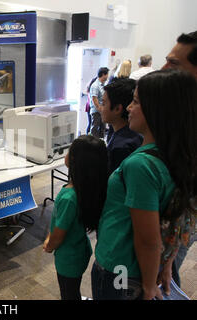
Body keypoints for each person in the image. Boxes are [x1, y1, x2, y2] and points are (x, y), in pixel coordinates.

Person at [92, 69, 196, 300]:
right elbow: (176, 216)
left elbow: (147, 238)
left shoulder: (140, 165)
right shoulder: (175, 155)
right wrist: (166, 263)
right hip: (147, 266)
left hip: (120, 266)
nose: (129, 107)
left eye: (136, 102)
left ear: (157, 110)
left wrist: (149, 286)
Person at [43, 135, 108, 300]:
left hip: (68, 259)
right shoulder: (90, 189)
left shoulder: (68, 197)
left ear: (74, 161)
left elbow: (59, 235)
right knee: (72, 290)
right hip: (80, 250)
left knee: (68, 293)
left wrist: (49, 244)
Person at [161, 30, 197, 287]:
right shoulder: (183, 113)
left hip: (178, 227)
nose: (163, 69)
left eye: (174, 63)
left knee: (165, 278)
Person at [101, 78, 143, 174]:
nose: (100, 108)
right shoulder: (136, 133)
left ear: (117, 109)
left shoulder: (121, 148)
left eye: (103, 103)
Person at [89, 67, 109, 139]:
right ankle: (92, 143)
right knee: (95, 128)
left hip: (102, 110)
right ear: (103, 74)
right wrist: (100, 109)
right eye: (107, 74)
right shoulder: (95, 85)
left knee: (102, 128)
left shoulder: (103, 84)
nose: (108, 76)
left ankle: (101, 142)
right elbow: (94, 99)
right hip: (97, 111)